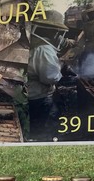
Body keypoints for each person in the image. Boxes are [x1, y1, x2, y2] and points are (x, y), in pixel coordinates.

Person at [26, 10, 69, 139]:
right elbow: (50, 77)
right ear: (50, 31)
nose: (58, 35)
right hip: (39, 98)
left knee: (34, 128)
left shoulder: (34, 44)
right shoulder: (44, 49)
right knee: (45, 130)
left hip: (30, 95)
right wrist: (61, 68)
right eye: (56, 31)